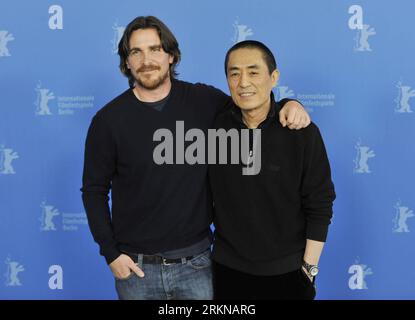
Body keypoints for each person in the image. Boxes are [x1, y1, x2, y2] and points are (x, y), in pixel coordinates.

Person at [81, 16, 310, 300]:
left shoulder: (203, 101)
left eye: (155, 49)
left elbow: (252, 101)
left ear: (171, 56)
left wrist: (290, 103)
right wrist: (111, 254)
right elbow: (94, 191)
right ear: (126, 62)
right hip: (136, 271)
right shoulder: (108, 121)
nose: (146, 60)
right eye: (135, 52)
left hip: (196, 266)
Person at [209, 40, 336, 300]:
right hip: (226, 271)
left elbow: (320, 203)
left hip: (288, 273)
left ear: (274, 77)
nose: (243, 82)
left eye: (253, 72)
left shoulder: (302, 133)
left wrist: (308, 270)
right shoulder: (213, 128)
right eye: (234, 73)